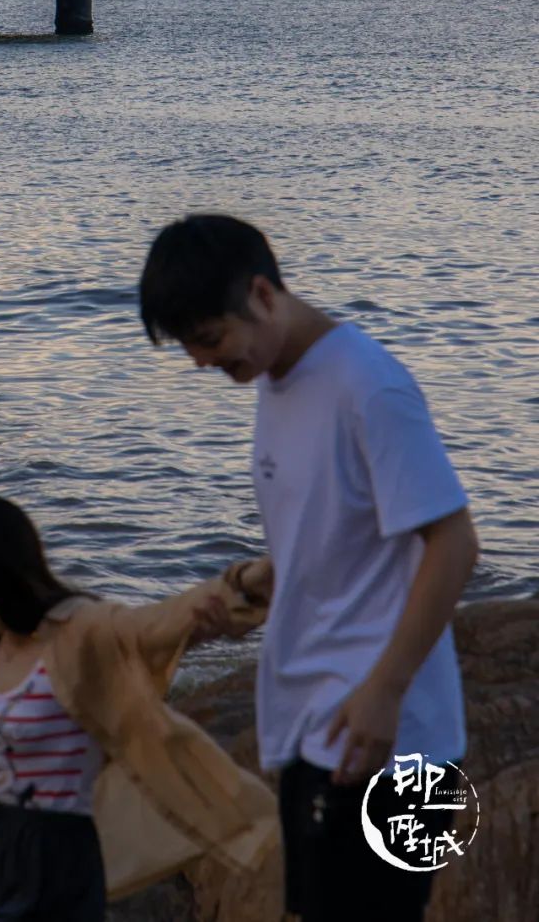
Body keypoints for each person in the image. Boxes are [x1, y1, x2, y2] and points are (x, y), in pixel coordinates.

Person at [139, 215, 479, 922]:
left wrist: (385, 691)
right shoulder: (275, 377)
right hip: (312, 723)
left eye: (207, 340)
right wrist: (249, 588)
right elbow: (338, 535)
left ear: (263, 294)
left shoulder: (368, 387)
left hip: (395, 740)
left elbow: (454, 544)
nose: (202, 363)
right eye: (190, 348)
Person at [0, 492, 278, 922]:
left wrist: (241, 586)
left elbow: (149, 625)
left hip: (58, 848)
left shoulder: (79, 630)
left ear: (2, 577)